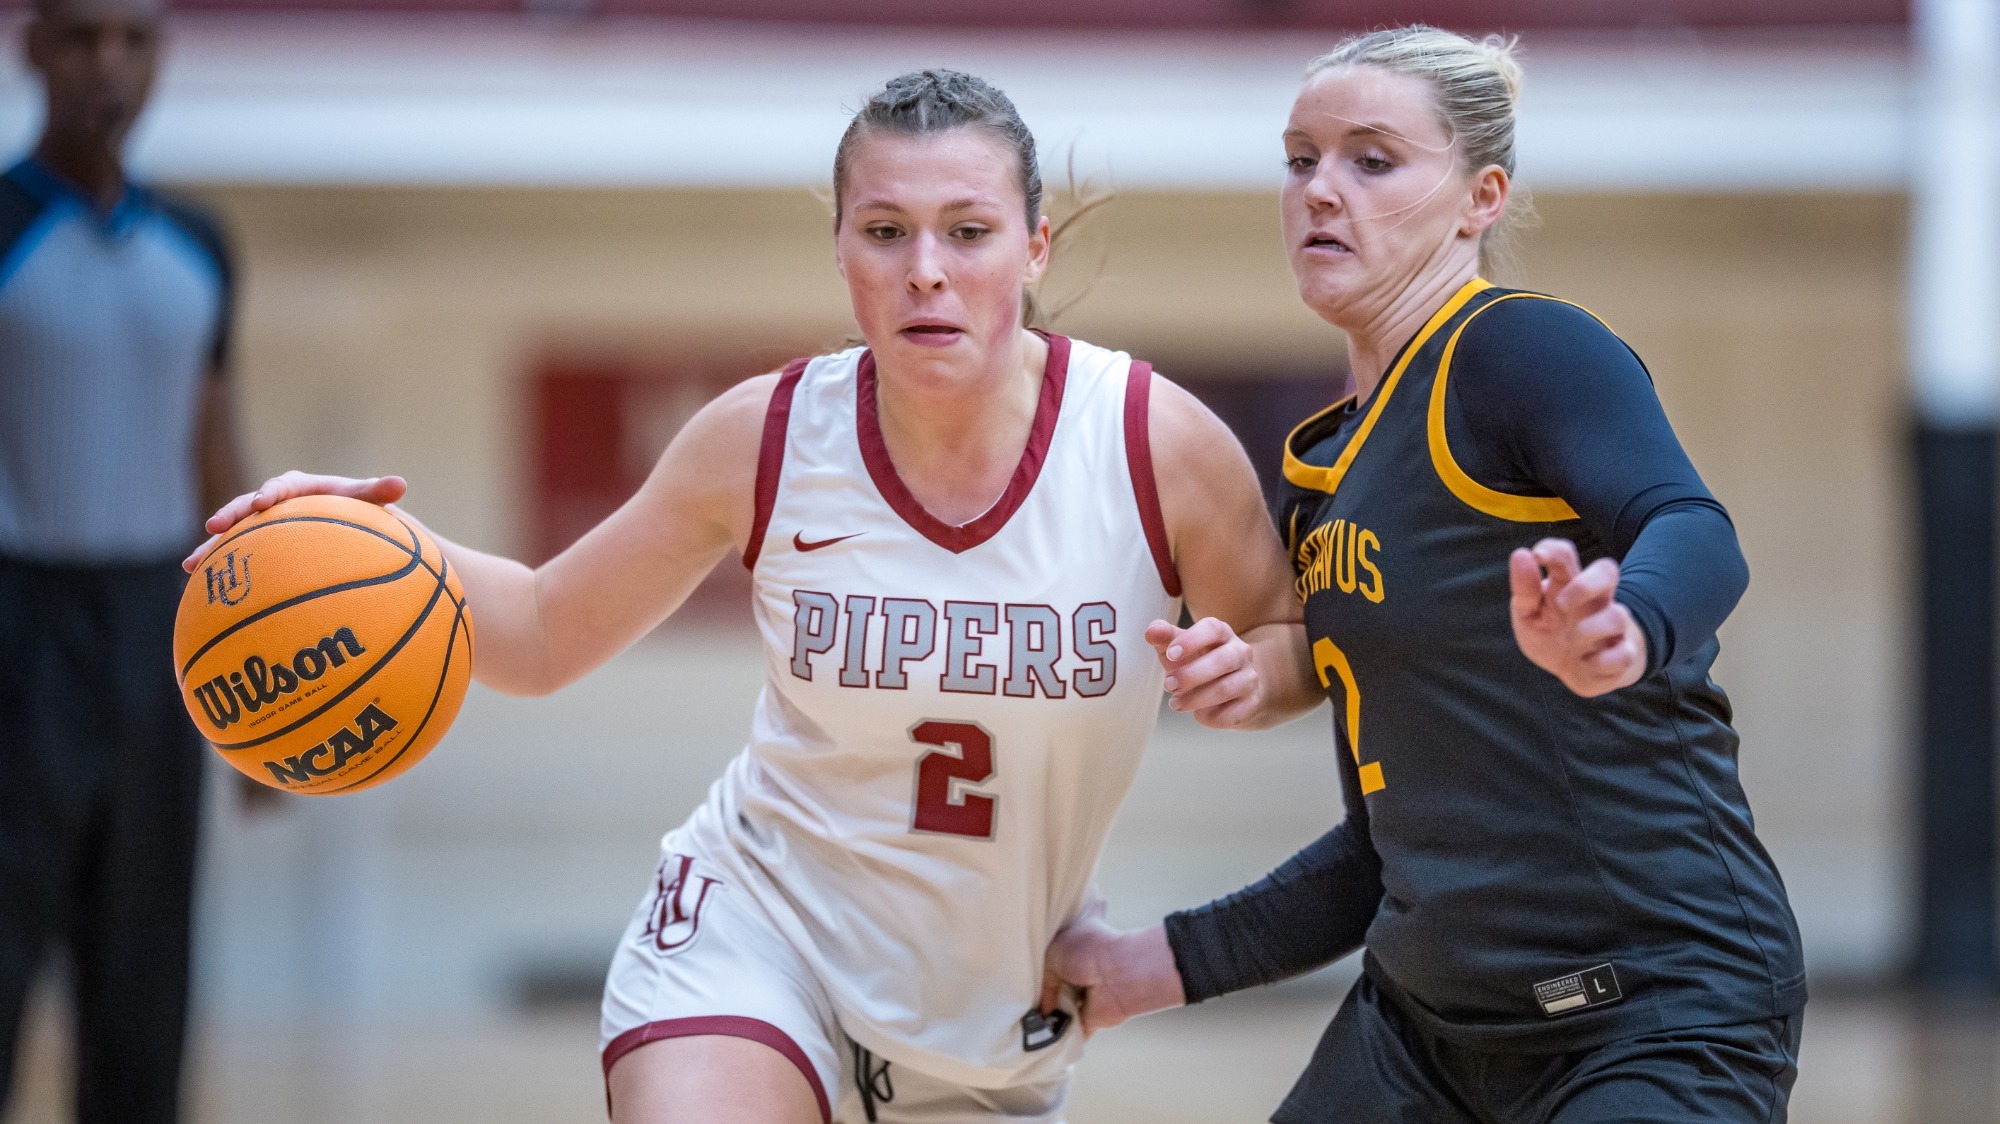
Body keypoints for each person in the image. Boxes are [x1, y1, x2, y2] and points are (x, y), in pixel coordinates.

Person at [190, 70, 1312, 1124]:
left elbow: (1293, 644)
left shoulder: (1147, 440)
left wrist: (1249, 673)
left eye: (966, 231)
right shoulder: (764, 437)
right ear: (840, 248)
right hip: (756, 932)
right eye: (884, 231)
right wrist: (366, 542)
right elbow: (537, 631)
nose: (926, 266)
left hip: (993, 1015)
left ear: (1031, 246)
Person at [1047, 25, 1808, 1124]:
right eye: (1297, 157)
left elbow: (1690, 525)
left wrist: (1628, 625)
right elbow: (1384, 851)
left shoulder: (1518, 349)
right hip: (1423, 1028)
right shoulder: (1323, 465)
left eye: (1369, 159)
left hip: (1649, 1009)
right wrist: (1152, 963)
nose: (1318, 189)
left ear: (1478, 197)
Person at [0, 0, 246, 1120]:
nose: (109, 64)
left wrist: (255, 699)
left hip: (161, 632)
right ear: (32, 48)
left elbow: (213, 452)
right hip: (17, 622)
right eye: (82, 37)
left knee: (144, 996)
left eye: (133, 41)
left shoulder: (199, 245)